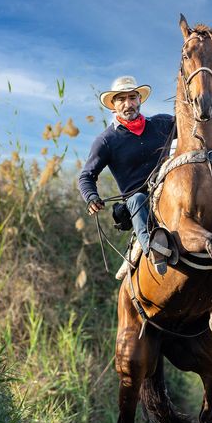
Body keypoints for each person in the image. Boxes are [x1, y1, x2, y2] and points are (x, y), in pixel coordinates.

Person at [78, 76, 174, 275]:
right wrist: (91, 197)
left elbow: (194, 126)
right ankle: (152, 249)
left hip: (171, 189)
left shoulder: (162, 123)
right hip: (139, 202)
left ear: (140, 100)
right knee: (137, 199)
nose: (128, 104)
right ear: (113, 105)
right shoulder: (106, 140)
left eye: (132, 97)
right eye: (121, 99)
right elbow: (86, 176)